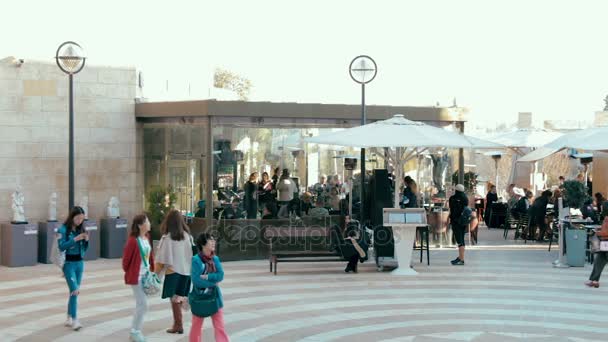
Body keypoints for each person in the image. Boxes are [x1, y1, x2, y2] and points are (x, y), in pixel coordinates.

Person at [155, 209, 194, 335]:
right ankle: (180, 322)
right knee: (179, 297)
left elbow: (162, 258)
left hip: (173, 272)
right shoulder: (188, 237)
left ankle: (178, 325)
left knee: (174, 299)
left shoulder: (168, 238)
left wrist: (155, 275)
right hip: (186, 272)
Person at [189, 233, 229, 342]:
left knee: (220, 326)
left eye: (213, 240)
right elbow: (196, 281)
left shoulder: (215, 259)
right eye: (210, 240)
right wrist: (212, 283)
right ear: (203, 244)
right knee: (196, 326)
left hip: (215, 297)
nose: (213, 242)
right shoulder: (196, 260)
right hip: (199, 298)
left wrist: (207, 276)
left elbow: (220, 275)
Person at [122, 214, 155, 342]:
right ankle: (135, 331)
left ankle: (136, 331)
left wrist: (151, 270)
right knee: (143, 304)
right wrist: (132, 271)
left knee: (141, 304)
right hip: (136, 277)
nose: (149, 223)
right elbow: (125, 261)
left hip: (146, 276)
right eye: (147, 221)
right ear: (140, 225)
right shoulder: (133, 240)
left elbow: (150, 256)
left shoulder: (147, 237)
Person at [58, 206, 89, 331]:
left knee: (73, 292)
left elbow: (84, 249)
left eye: (82, 219)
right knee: (75, 291)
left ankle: (69, 316)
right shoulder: (63, 229)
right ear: (72, 217)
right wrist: (74, 239)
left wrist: (86, 240)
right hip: (68, 264)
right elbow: (61, 246)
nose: (80, 221)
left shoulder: (81, 229)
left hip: (79, 263)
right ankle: (75, 320)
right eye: (78, 218)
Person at [448, 184, 469, 265]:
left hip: (456, 222)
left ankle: (462, 259)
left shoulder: (452, 198)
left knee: (459, 241)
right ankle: (460, 257)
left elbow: (452, 209)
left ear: (455, 190)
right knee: (462, 240)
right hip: (463, 222)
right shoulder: (465, 198)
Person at [586, 217, 608, 288]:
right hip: (604, 244)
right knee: (598, 262)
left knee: (598, 262)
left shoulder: (607, 219)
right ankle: (594, 281)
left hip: (605, 243)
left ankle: (594, 281)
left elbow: (605, 232)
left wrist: (597, 233)